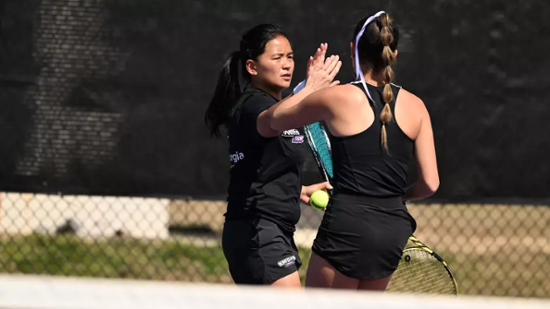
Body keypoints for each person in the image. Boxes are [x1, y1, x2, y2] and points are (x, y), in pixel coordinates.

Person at [269, 12, 439, 290]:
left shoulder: (336, 98)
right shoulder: (417, 106)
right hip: (393, 229)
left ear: (352, 50)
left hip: (347, 226)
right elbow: (431, 184)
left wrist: (309, 87)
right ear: (393, 54)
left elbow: (273, 121)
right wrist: (395, 196)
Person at [204, 24, 341, 287]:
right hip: (256, 230)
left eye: (290, 57)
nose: (287, 64)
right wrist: (309, 89)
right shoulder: (254, 104)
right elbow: (272, 120)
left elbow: (263, 164)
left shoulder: (278, 105)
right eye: (277, 58)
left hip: (274, 230)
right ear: (252, 67)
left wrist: (295, 189)